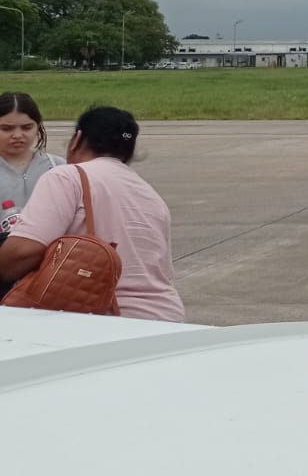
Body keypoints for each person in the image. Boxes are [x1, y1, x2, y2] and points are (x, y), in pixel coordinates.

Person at [0, 106, 184, 321]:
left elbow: (20, 254)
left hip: (104, 319)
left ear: (77, 139)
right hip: (167, 317)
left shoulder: (67, 176)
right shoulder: (151, 196)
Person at [1, 91, 66, 232]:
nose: (17, 135)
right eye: (6, 129)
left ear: (38, 126)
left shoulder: (58, 166)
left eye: (27, 127)